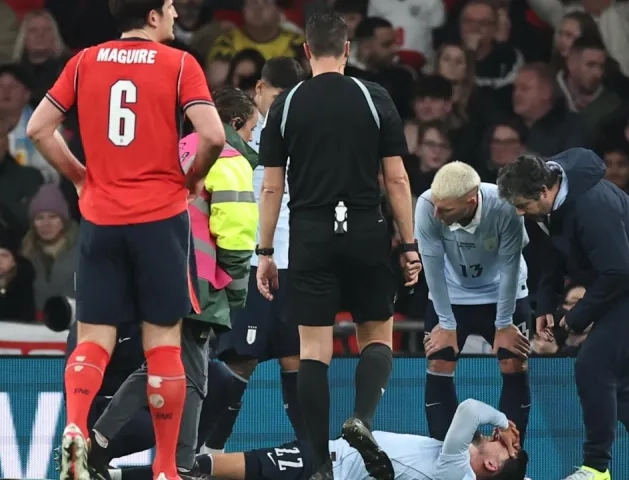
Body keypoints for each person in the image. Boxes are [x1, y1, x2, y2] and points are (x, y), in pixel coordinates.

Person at [25, 0, 226, 478]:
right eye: (172, 7)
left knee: (94, 339)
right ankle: (164, 467)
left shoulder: (82, 62)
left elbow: (37, 129)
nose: (177, 15)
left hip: (101, 220)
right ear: (154, 15)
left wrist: (78, 177)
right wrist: (193, 178)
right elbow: (214, 136)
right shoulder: (180, 64)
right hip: (160, 218)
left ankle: (75, 428)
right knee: (162, 346)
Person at [254, 11, 421, 480]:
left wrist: (264, 253)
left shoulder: (286, 104)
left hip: (310, 236)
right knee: (376, 334)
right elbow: (396, 177)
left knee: (313, 350)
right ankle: (362, 419)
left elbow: (271, 187)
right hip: (365, 230)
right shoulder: (374, 96)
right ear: (347, 48)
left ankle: (320, 466)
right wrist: (408, 244)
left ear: (306, 52)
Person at [86, 86, 261, 480]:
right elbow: (235, 233)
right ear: (233, 124)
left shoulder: (173, 150)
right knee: (194, 377)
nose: (252, 139)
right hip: (194, 279)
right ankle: (178, 465)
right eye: (251, 129)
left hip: (152, 270)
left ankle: (98, 443)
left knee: (159, 364)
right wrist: (235, 288)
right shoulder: (229, 159)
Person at [496, 149, 629, 480]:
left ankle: (596, 468)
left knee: (593, 364)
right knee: (619, 374)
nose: (519, 211)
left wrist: (576, 317)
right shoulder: (554, 194)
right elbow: (557, 252)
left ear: (543, 192)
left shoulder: (590, 207)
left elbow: (619, 271)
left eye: (523, 205)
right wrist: (546, 304)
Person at [204, 57, 307, 454]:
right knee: (239, 361)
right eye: (277, 97)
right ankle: (207, 451)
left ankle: (313, 454)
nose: (282, 107)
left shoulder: (305, 135)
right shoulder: (238, 133)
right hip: (248, 265)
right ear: (259, 90)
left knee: (296, 359)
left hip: (294, 264)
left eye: (290, 99)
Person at [112, 399, 529, 480]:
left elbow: (470, 409)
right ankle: (117, 477)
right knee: (216, 471)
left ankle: (114, 474)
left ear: (490, 465)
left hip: (335, 464)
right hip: (333, 459)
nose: (498, 437)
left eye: (503, 446)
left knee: (224, 469)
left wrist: (503, 419)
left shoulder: (457, 470)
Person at [414, 161, 533, 443]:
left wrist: (504, 323)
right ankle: (445, 456)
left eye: (446, 209)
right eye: (435, 205)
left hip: (503, 291)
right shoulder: (426, 204)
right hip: (452, 293)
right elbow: (431, 265)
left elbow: (510, 267)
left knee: (514, 364)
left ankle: (509, 456)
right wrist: (446, 322)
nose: (436, 213)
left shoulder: (504, 206)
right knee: (439, 363)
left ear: (470, 202)